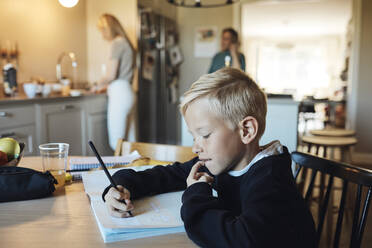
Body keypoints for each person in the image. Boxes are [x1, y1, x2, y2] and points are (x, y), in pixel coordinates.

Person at [102, 68, 316, 247]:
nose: (196, 147)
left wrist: (195, 194)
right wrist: (122, 185)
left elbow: (241, 240)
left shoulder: (271, 180)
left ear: (246, 130)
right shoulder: (220, 162)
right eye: (194, 136)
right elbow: (167, 174)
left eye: (204, 135)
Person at [95, 13, 137, 150]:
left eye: (103, 30)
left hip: (119, 94)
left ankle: (120, 172)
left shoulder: (117, 43)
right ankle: (135, 171)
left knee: (116, 143)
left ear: (109, 28)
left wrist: (97, 84)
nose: (102, 34)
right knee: (130, 143)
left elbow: (111, 75)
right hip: (129, 92)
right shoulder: (127, 43)